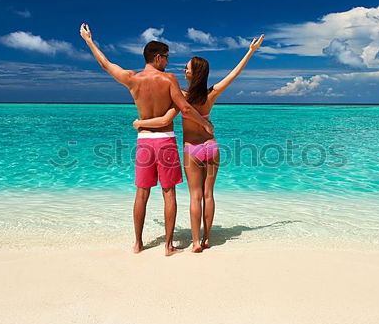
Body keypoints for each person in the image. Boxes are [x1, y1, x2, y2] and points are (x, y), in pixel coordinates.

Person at [79, 23, 214, 256]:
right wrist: (204, 123)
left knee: (141, 193)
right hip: (166, 141)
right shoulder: (168, 79)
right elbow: (183, 107)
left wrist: (89, 40)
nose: (169, 62)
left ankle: (138, 243)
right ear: (158, 57)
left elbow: (105, 64)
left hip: (144, 142)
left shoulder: (132, 79)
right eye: (167, 58)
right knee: (168, 192)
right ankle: (169, 246)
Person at [133, 34, 264, 253]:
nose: (184, 71)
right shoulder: (211, 94)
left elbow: (166, 119)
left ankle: (195, 242)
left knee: (195, 196)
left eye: (187, 68)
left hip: (192, 149)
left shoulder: (181, 96)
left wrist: (140, 123)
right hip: (211, 146)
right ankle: (207, 239)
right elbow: (234, 74)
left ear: (195, 72)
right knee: (208, 194)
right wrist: (250, 51)